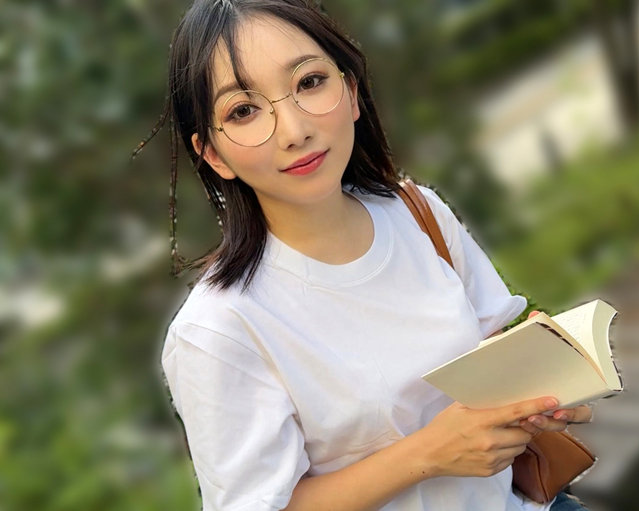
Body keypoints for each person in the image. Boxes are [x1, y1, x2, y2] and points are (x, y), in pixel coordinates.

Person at [151, 1, 593, 509]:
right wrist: (429, 454)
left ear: (352, 92)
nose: (294, 131)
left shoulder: (417, 213)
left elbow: (489, 357)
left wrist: (546, 387)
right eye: (243, 111)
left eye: (309, 82)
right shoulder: (218, 330)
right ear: (213, 153)